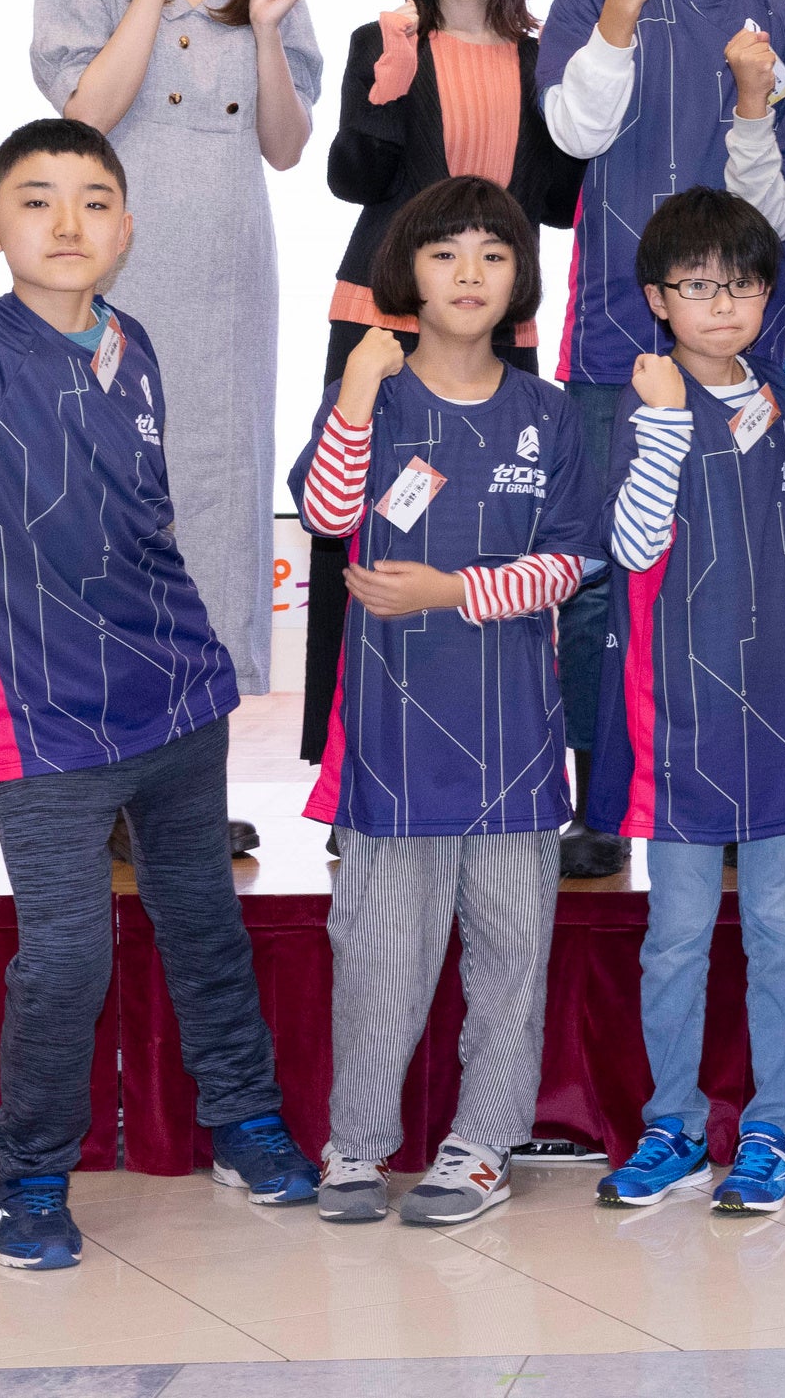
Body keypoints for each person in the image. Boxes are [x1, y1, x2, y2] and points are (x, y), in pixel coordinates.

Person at [0, 113, 317, 1270]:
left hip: (178, 696)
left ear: (126, 229)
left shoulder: (132, 343)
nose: (68, 222)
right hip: (46, 721)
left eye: (94, 201)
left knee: (205, 926)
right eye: (36, 200)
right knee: (65, 960)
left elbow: (142, 514)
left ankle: (244, 1120)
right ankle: (33, 1174)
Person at [293, 181, 602, 1226]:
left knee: (513, 956)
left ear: (521, 278)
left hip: (515, 740)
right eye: (444, 253)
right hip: (393, 739)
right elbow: (329, 513)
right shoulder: (373, 394)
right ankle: (355, 1146)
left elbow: (571, 561)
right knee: (379, 954)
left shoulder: (548, 413)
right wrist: (354, 394)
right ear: (406, 274)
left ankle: (480, 1147)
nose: (470, 273)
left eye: (493, 255)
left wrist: (451, 590)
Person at [540, 0, 785, 876]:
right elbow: (575, 134)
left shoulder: (778, 13)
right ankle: (603, 801)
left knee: (752, 580)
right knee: (600, 582)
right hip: (614, 347)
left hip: (746, 358)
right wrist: (622, 6)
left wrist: (752, 97)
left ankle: (747, 788)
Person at [31, 0, 319, 709]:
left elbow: (285, 147)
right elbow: (87, 113)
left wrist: (266, 31)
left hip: (231, 277)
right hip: (120, 269)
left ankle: (203, 743)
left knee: (220, 493)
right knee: (113, 489)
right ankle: (105, 733)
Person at [309, 0, 584, 768]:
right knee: (364, 534)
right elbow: (355, 179)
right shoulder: (383, 37)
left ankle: (501, 751)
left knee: (502, 536)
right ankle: (352, 768)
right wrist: (384, 90)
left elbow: (556, 202)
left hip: (501, 322)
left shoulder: (544, 54)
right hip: (383, 317)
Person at [590, 189, 785, 1220]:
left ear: (769, 295)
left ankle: (772, 1125)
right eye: (697, 286)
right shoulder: (644, 398)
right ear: (658, 299)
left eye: (740, 285)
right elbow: (633, 544)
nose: (721, 305)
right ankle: (674, 1124)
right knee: (677, 937)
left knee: (782, 929)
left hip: (780, 709)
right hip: (681, 715)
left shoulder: (778, 392)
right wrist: (658, 424)